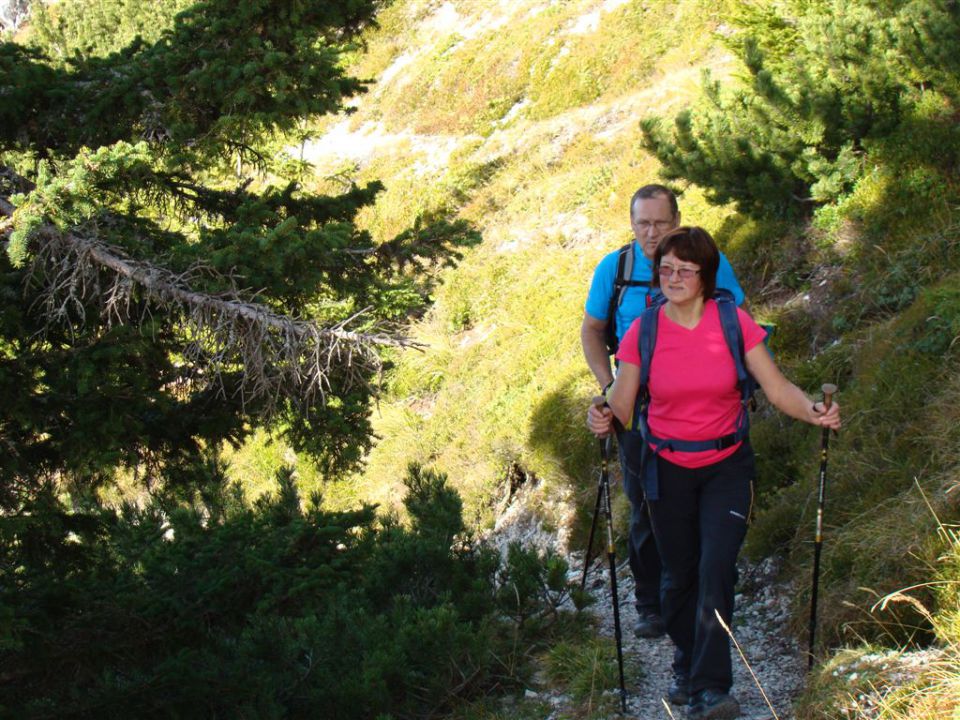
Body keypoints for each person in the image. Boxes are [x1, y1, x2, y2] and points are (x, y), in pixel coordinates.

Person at [586, 226, 841, 720]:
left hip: (726, 464)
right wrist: (600, 414)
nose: (673, 277)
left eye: (685, 269)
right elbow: (620, 401)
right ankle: (687, 662)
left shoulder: (734, 323)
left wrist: (814, 411)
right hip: (666, 468)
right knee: (679, 574)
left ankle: (711, 688)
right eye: (665, 269)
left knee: (716, 567)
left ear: (706, 276)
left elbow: (776, 385)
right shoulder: (646, 330)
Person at [580, 185, 745, 639]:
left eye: (661, 223)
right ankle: (653, 602)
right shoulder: (616, 268)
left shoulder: (708, 262)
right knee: (646, 506)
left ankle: (701, 594)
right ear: (632, 224)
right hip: (637, 409)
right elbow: (593, 330)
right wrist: (609, 387)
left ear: (677, 220)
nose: (652, 233)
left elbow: (737, 323)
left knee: (695, 504)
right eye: (643, 224)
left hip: (702, 408)